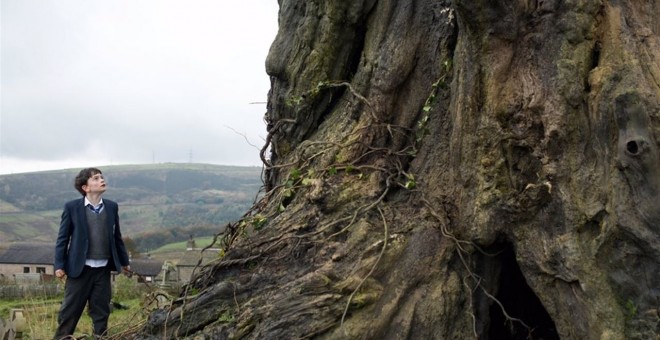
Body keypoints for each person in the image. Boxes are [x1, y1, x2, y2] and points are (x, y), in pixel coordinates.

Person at [53, 168, 131, 339]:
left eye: (101, 177)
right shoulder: (72, 207)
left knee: (101, 313)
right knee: (69, 314)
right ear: (85, 187)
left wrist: (124, 262)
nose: (101, 180)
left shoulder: (111, 207)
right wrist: (59, 265)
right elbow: (62, 238)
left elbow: (116, 236)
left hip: (103, 270)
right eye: (95, 178)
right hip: (79, 270)